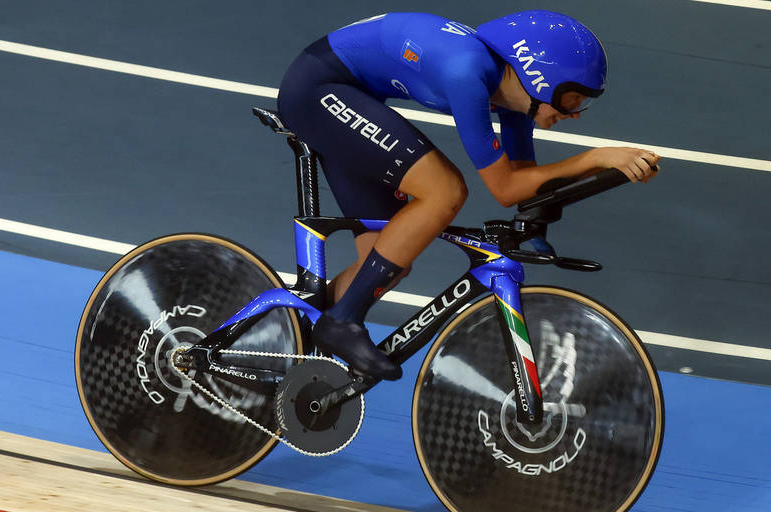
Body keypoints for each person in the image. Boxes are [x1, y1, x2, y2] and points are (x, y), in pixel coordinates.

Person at [276, 10, 660, 381]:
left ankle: (283, 345)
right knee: (444, 191)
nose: (576, 113)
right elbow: (505, 189)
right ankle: (341, 321)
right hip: (317, 90)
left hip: (350, 94)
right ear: (539, 79)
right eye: (573, 98)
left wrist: (589, 185)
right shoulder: (467, 73)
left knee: (391, 252)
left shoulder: (514, 98)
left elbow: (527, 181)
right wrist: (593, 158)